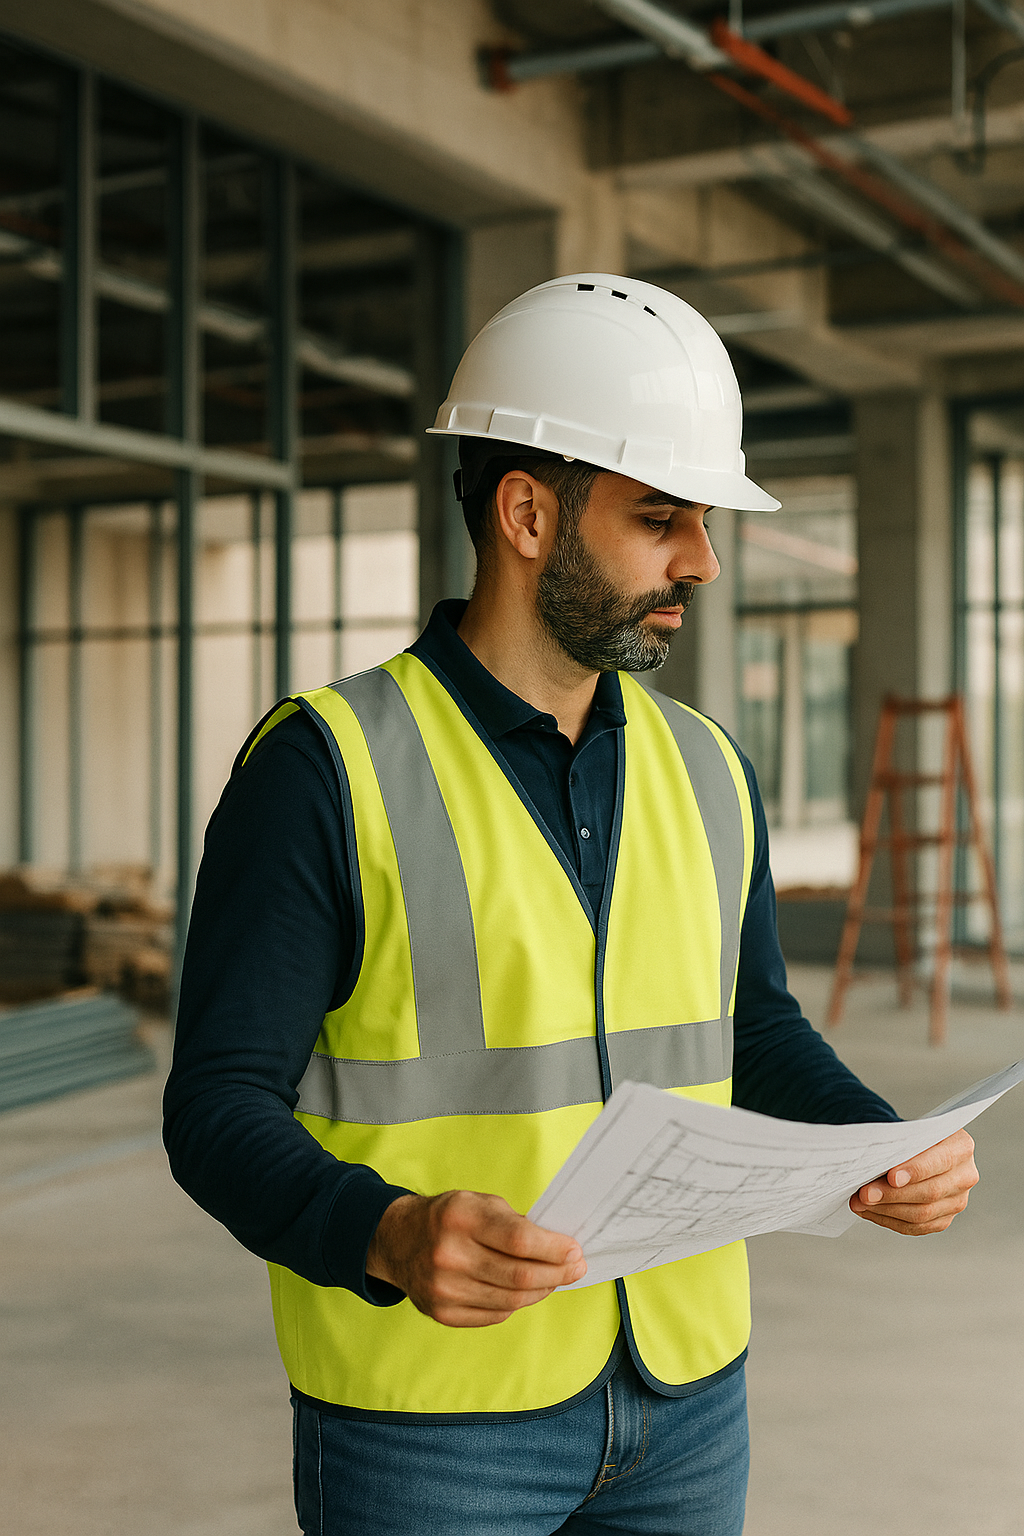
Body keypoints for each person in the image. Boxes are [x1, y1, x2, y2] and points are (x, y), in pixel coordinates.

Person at [164, 273, 979, 1536]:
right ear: (528, 513)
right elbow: (214, 1106)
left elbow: (749, 1028)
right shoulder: (325, 766)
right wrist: (383, 1232)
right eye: (661, 518)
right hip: (432, 1426)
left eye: (702, 522)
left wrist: (874, 1145)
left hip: (687, 1401)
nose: (701, 561)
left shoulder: (706, 766)